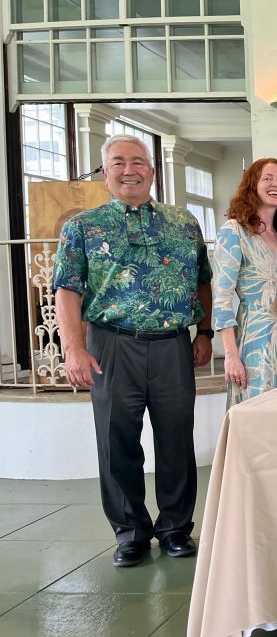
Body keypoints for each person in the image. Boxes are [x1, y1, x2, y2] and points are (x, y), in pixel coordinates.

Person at [53, 134, 212, 567]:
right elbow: (67, 290)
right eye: (119, 162)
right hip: (110, 345)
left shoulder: (183, 223)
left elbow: (202, 278)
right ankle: (130, 533)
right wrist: (73, 348)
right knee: (116, 441)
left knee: (176, 440)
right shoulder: (82, 228)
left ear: (152, 172)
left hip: (172, 346)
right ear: (106, 172)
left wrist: (205, 332)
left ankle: (176, 529)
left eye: (138, 161)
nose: (129, 170)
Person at [212, 158, 277, 406]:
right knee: (259, 412)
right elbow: (221, 300)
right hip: (255, 341)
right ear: (252, 185)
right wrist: (231, 356)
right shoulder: (234, 231)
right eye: (268, 178)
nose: (276, 184)